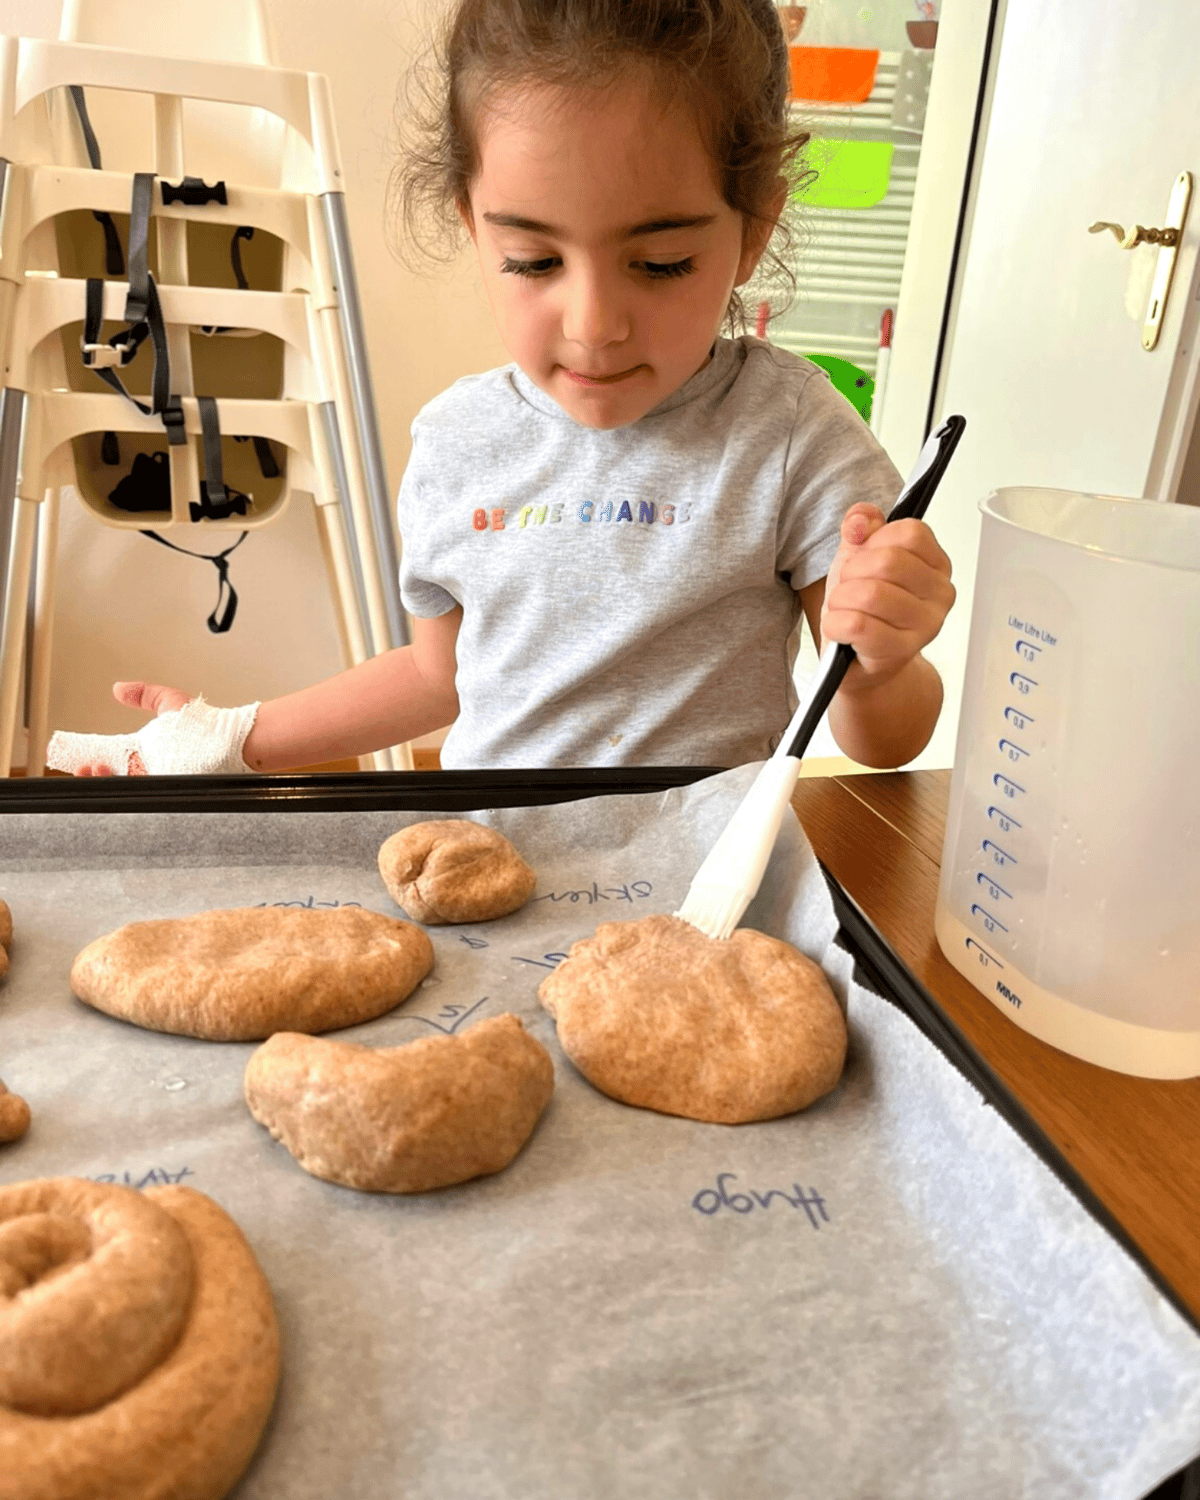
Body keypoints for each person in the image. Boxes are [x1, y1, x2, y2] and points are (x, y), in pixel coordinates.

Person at [48, 0, 954, 779]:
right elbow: (435, 679)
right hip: (486, 866)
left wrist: (877, 665)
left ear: (754, 229)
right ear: (472, 227)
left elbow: (884, 741)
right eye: (533, 260)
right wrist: (231, 737)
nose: (595, 323)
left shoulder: (790, 433)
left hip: (690, 892)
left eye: (662, 262)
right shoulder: (456, 439)